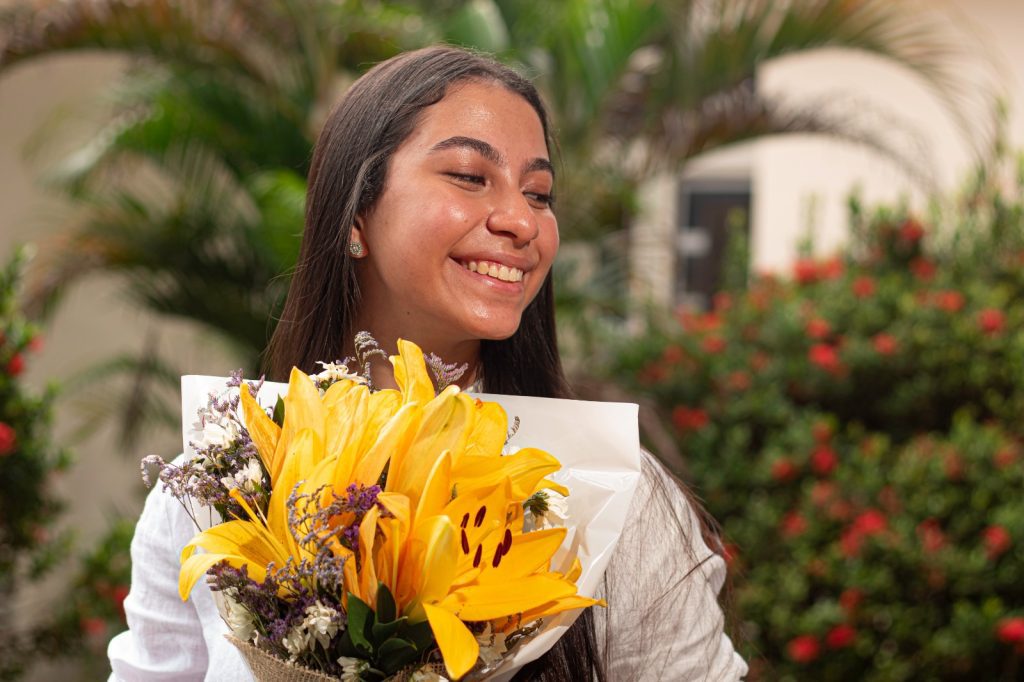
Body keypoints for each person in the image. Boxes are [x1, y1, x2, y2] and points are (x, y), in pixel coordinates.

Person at [108, 45, 747, 681]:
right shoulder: (221, 492)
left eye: (539, 193)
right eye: (470, 176)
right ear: (355, 213)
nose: (522, 220)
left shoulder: (612, 497)